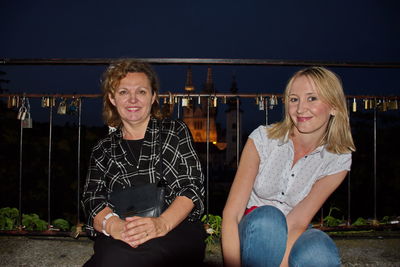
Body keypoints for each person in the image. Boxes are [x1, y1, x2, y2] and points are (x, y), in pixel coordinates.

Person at [222, 66, 355, 267]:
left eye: (312, 98)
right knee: (269, 218)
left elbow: (298, 222)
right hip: (256, 230)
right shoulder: (263, 139)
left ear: (335, 106)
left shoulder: (338, 157)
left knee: (320, 253)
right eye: (294, 99)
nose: (300, 109)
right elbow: (232, 215)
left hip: (297, 229)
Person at [81, 59, 206, 267]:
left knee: (117, 261)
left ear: (153, 96)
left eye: (141, 92)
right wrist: (114, 226)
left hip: (173, 228)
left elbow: (191, 187)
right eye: (123, 92)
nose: (133, 100)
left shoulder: (174, 132)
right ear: (112, 98)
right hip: (122, 233)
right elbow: (92, 198)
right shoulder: (102, 149)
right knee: (113, 257)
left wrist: (161, 224)